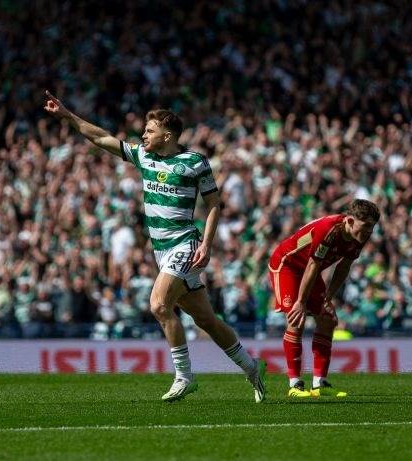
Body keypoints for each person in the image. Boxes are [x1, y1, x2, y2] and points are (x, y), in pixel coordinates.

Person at [44, 91, 266, 402]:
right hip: (161, 252)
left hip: (185, 244)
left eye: (150, 130)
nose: (143, 135)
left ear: (168, 134)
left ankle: (184, 376)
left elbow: (214, 204)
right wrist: (67, 115)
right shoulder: (143, 156)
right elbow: (101, 138)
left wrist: (207, 242)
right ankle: (252, 367)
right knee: (206, 320)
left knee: (159, 305)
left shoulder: (194, 162)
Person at [268, 199, 380, 398]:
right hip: (287, 266)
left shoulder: (359, 236)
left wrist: (329, 295)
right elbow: (312, 266)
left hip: (310, 271)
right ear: (350, 221)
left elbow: (344, 266)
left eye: (371, 227)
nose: (368, 232)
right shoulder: (329, 230)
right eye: (365, 227)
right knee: (296, 318)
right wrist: (301, 303)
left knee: (328, 320)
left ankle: (319, 384)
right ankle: (295, 384)